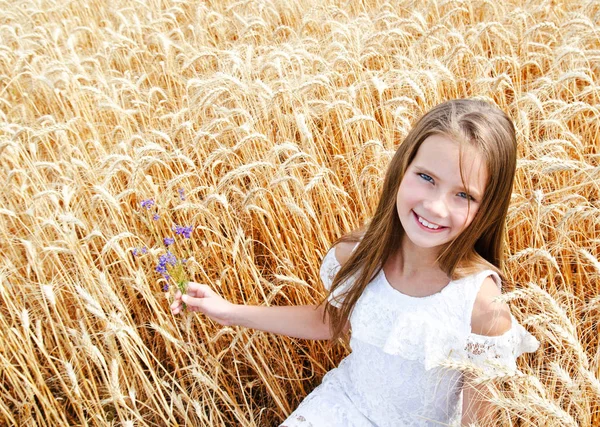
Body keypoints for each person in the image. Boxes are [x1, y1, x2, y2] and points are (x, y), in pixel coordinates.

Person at [170, 99, 540, 426]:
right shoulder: (359, 253)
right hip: (341, 408)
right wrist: (229, 311)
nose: (435, 206)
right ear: (401, 170)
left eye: (463, 194)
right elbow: (329, 321)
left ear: (488, 207)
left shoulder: (482, 309)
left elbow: (477, 423)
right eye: (426, 177)